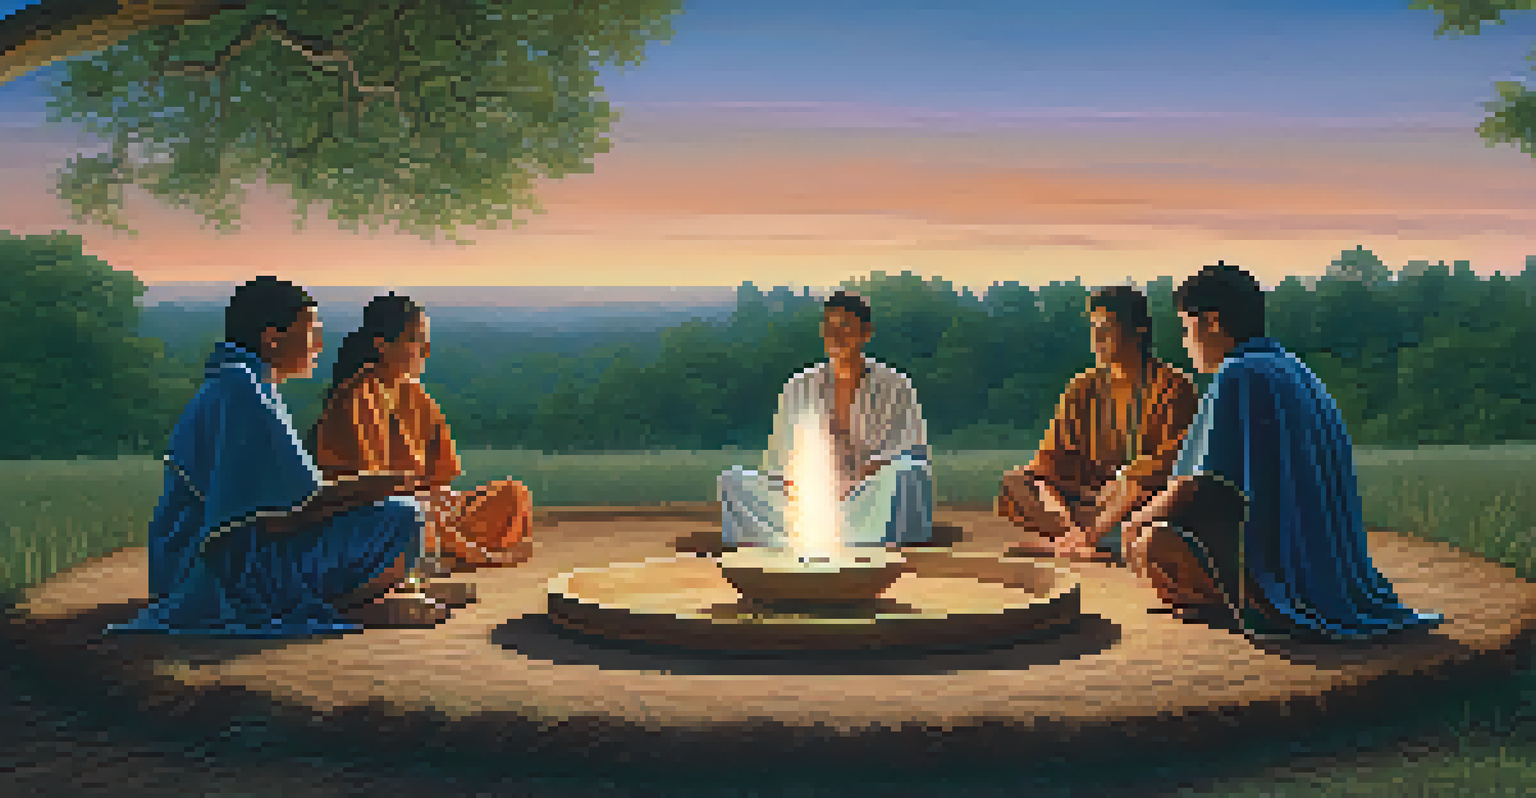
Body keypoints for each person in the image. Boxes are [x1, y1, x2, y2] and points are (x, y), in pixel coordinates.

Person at [1120, 261, 1443, 641]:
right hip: (1326, 572)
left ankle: (1256, 606)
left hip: (1285, 577)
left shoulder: (1237, 374)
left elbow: (1194, 485)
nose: (1185, 341)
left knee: (1152, 543)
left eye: (1186, 327)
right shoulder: (1295, 370)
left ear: (1212, 323)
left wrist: (1135, 521)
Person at [110, 277, 451, 636]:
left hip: (236, 552)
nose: (320, 345)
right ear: (272, 337)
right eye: (311, 332)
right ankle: (351, 608)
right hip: (217, 568)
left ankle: (367, 595)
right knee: (402, 517)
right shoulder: (242, 388)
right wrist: (392, 484)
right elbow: (291, 512)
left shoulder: (244, 383)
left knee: (407, 511)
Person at [309, 293, 533, 573]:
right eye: (416, 340)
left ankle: (439, 553)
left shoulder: (417, 396)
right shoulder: (355, 398)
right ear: (382, 345)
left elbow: (440, 474)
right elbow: (365, 492)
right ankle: (464, 554)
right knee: (410, 518)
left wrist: (441, 496)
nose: (426, 351)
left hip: (427, 510)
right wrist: (422, 501)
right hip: (376, 514)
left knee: (512, 494)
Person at [718, 291, 933, 549]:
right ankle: (789, 542)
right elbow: (781, 460)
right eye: (830, 328)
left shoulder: (896, 385)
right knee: (733, 481)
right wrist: (809, 489)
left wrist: (852, 482)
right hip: (809, 499)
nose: (836, 336)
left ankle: (864, 542)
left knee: (905, 475)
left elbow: (908, 452)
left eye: (845, 327)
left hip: (870, 495)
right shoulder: (798, 386)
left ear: (866, 332)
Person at [998, 286, 1199, 562]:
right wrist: (1066, 521)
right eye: (1093, 329)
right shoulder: (1081, 388)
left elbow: (1171, 463)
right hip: (1089, 502)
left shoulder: (1174, 388)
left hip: (1139, 500)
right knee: (1016, 484)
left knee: (1146, 489)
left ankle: (1092, 539)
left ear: (1138, 330)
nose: (1097, 339)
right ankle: (1076, 541)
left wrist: (1123, 480)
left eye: (1106, 329)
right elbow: (1049, 463)